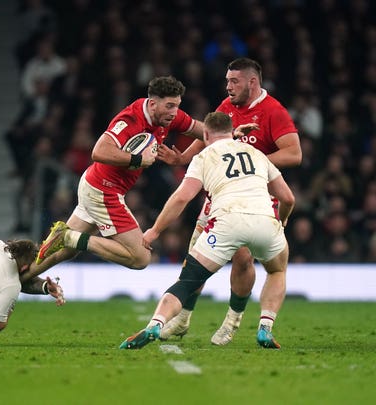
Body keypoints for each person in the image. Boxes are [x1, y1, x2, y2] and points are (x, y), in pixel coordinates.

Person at [119, 111, 295, 350]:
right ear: (232, 132)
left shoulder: (204, 156)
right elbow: (287, 198)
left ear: (205, 134)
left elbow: (182, 198)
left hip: (226, 222)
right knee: (276, 271)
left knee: (188, 281)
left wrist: (155, 231)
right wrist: (281, 223)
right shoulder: (258, 154)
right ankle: (265, 328)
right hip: (265, 220)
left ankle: (155, 324)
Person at [157, 57, 301, 345]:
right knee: (195, 257)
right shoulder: (227, 106)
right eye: (227, 80)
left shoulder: (273, 111)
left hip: (256, 196)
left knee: (243, 257)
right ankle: (182, 319)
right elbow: (211, 135)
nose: (228, 86)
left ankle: (231, 323)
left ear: (252, 82)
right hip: (220, 197)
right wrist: (184, 158)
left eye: (234, 81)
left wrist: (254, 165)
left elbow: (294, 153)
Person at [20, 75, 206, 282]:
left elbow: (207, 132)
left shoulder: (169, 116)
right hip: (103, 190)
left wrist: (184, 157)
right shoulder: (130, 119)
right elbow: (98, 151)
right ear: (153, 103)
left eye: (177, 106)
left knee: (66, 251)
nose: (174, 112)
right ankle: (68, 236)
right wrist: (137, 159)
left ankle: (22, 278)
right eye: (170, 106)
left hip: (96, 185)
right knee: (140, 257)